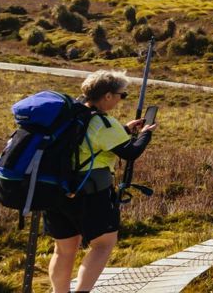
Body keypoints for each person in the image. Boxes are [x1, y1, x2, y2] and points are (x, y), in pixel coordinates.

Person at [48, 70, 155, 293]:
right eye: (121, 95)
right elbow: (130, 153)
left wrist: (125, 129)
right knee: (103, 245)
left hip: (57, 191)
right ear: (107, 96)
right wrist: (145, 134)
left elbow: (87, 140)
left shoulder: (72, 115)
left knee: (64, 250)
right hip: (89, 193)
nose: (120, 99)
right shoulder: (103, 123)